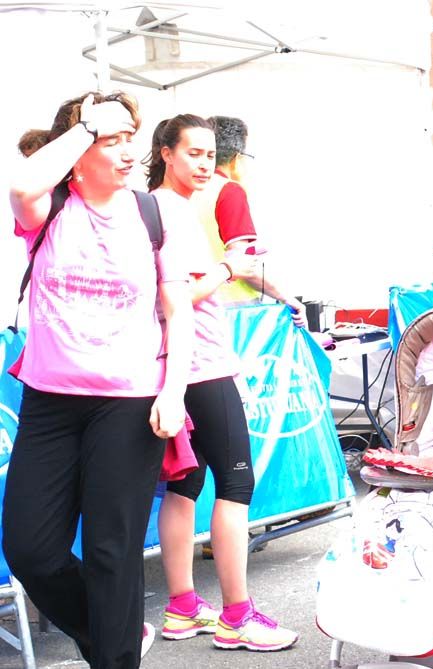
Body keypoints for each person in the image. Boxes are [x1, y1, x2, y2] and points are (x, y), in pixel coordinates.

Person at [3, 92, 194, 668]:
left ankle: (114, 656)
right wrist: (87, 126)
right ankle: (114, 634)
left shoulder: (152, 214)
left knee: (114, 552)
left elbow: (177, 309)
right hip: (50, 402)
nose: (128, 151)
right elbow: (19, 186)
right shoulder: (51, 208)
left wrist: (174, 390)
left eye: (128, 137)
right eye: (112, 141)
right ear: (78, 153)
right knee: (31, 550)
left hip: (129, 403)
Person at [146, 114, 299, 650]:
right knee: (235, 486)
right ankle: (237, 616)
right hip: (199, 365)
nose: (205, 163)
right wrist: (230, 267)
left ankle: (184, 607)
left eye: (211, 153)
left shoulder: (163, 206)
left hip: (176, 365)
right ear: (165, 153)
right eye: (193, 153)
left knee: (185, 484)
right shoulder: (168, 210)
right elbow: (176, 297)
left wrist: (254, 279)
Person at [190, 116, 306, 325]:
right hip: (232, 316)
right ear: (236, 158)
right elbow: (245, 267)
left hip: (192, 311)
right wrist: (286, 297)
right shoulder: (228, 191)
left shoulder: (184, 190)